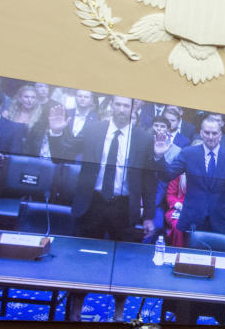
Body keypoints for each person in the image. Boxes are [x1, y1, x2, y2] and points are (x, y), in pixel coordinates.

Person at [47, 96, 159, 240]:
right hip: (91, 203)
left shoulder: (144, 138)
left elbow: (149, 181)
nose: (121, 110)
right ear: (111, 106)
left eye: (126, 106)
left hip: (124, 208)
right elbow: (59, 157)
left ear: (133, 109)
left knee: (120, 258)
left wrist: (148, 216)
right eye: (118, 105)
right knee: (84, 256)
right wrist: (56, 133)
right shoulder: (92, 130)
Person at [156, 116, 225, 237]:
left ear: (220, 135)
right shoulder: (188, 153)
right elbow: (167, 175)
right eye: (207, 133)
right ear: (201, 133)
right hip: (193, 218)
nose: (211, 137)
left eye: (214, 133)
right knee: (191, 256)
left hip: (222, 221)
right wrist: (159, 156)